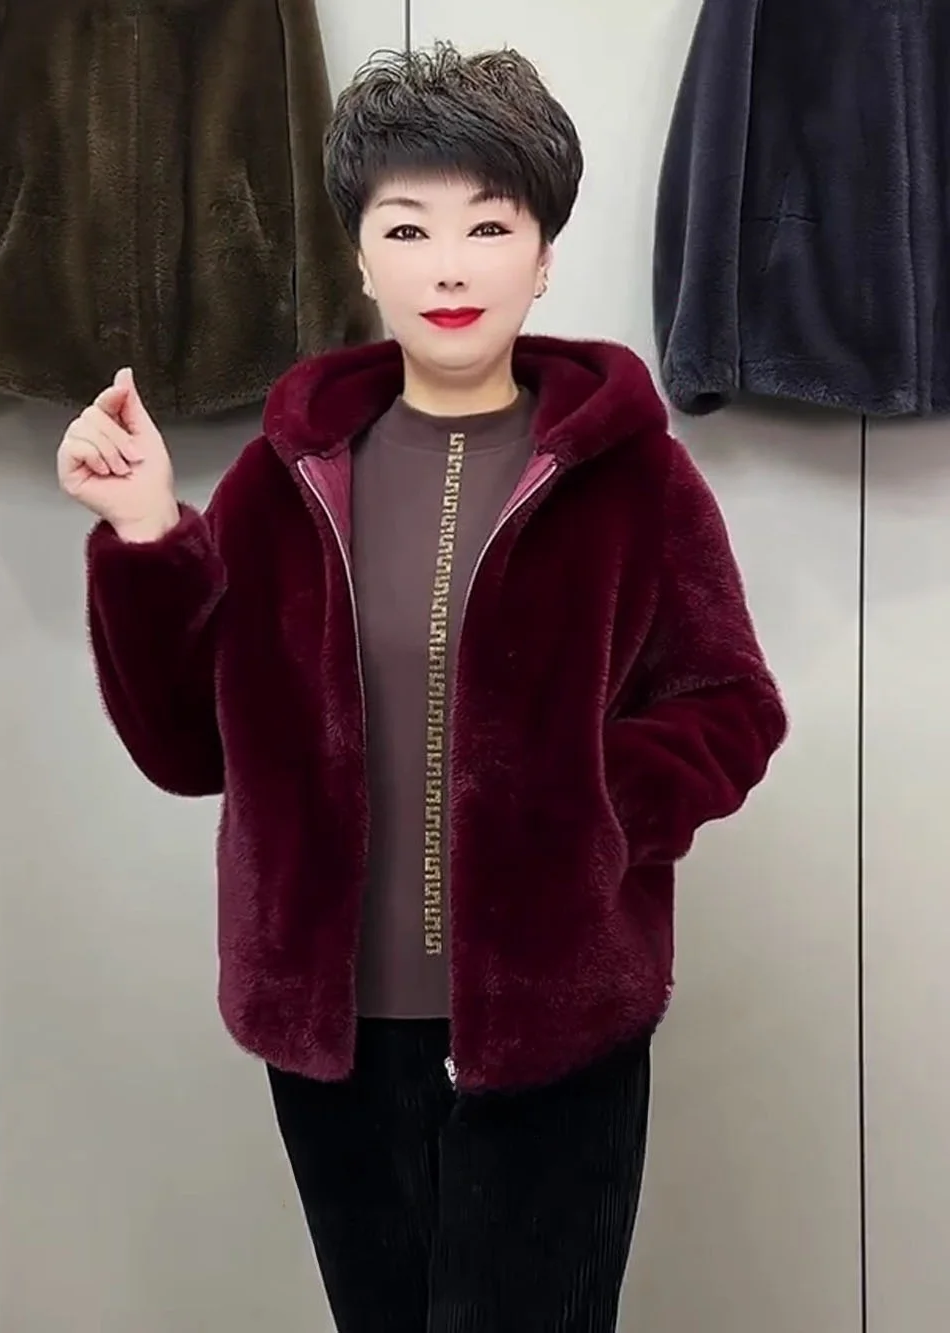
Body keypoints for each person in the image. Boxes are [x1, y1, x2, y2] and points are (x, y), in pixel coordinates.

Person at [57, 42, 787, 1333]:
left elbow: (731, 706)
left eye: (489, 226)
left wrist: (593, 813)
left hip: (557, 1024)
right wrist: (146, 536)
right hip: (334, 1038)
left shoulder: (633, 477)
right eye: (407, 228)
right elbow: (184, 748)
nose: (449, 267)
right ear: (361, 259)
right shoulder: (283, 482)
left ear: (544, 255)